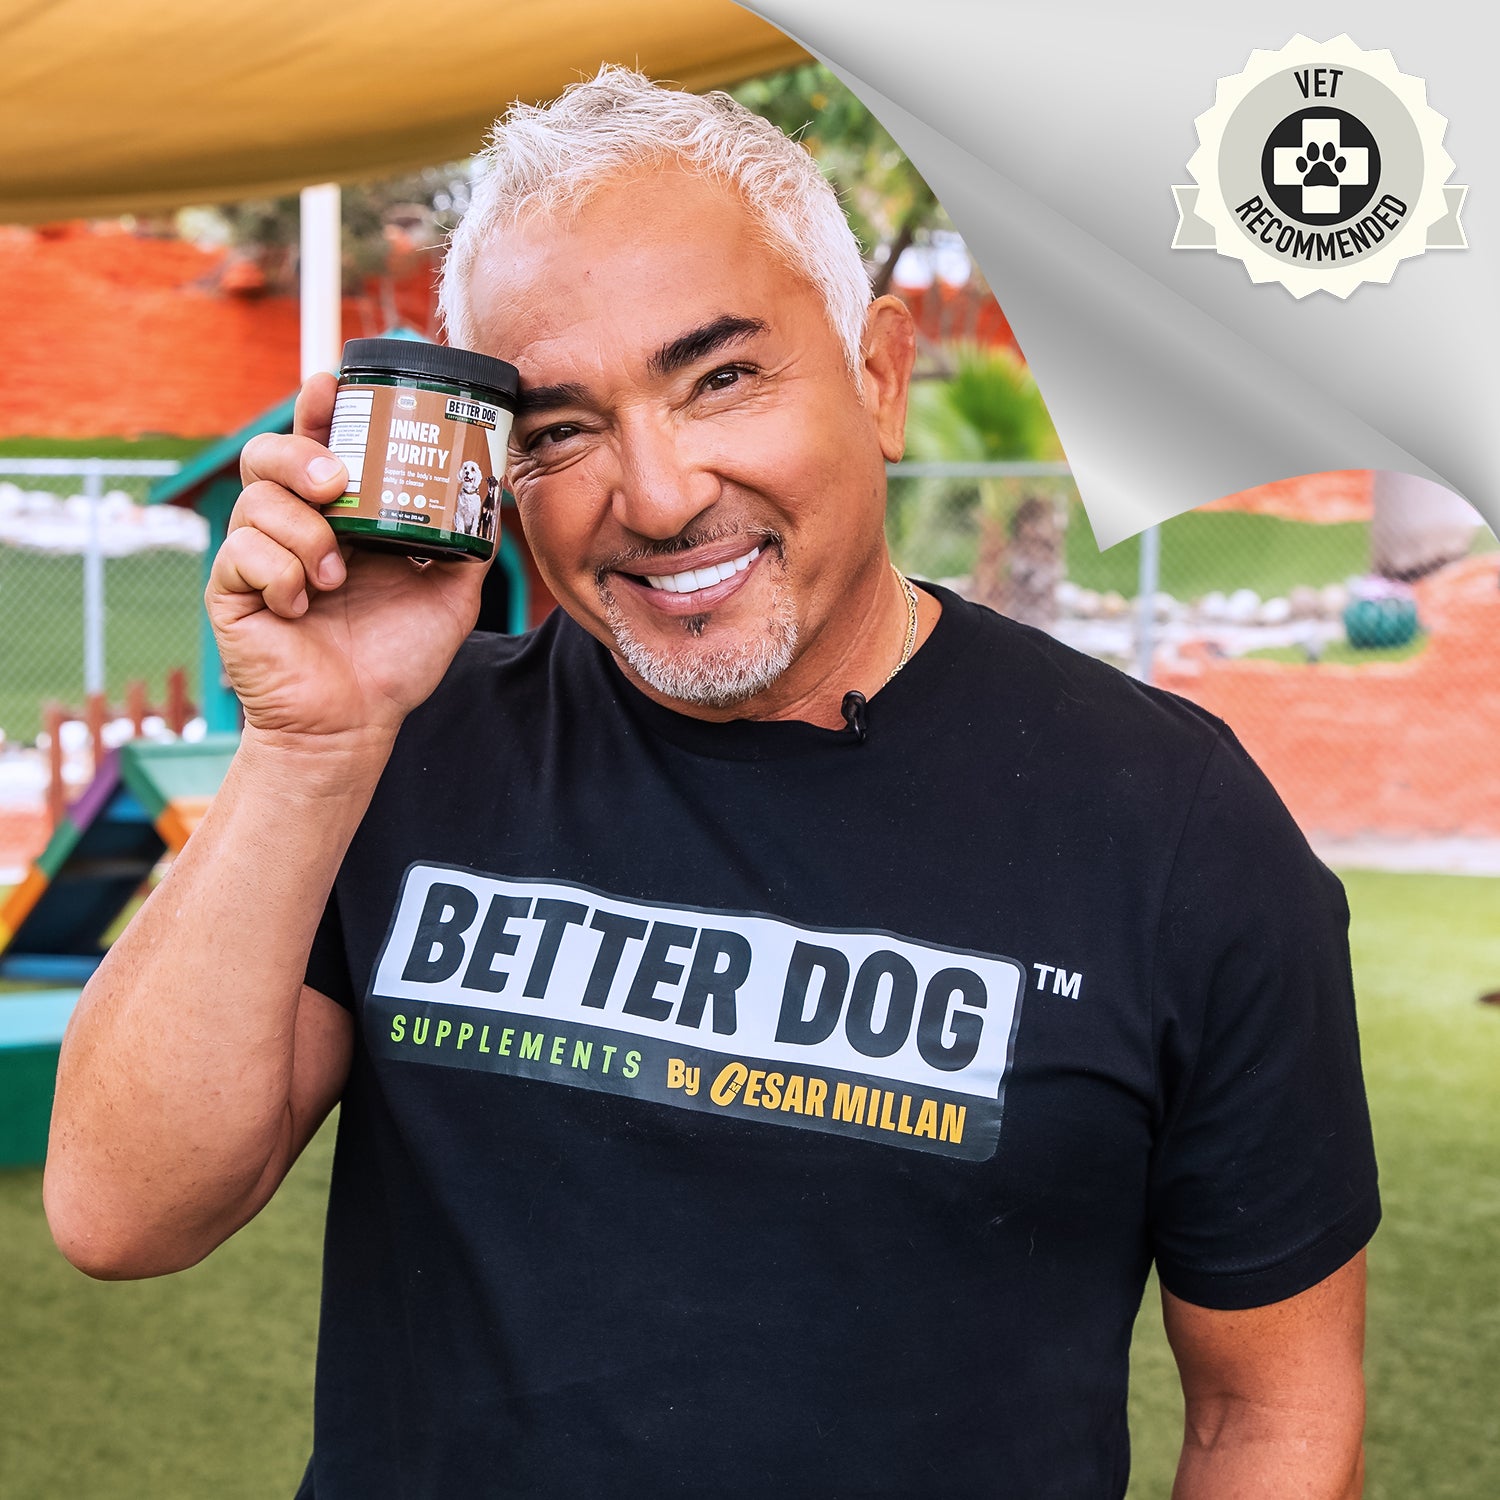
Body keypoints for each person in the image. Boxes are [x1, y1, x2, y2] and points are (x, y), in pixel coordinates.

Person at [44, 66, 1379, 1499]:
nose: (662, 492)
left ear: (878, 372)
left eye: (722, 377)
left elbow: (1273, 1415)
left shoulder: (1168, 822)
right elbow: (121, 1210)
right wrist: (311, 747)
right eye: (559, 429)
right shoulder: (407, 749)